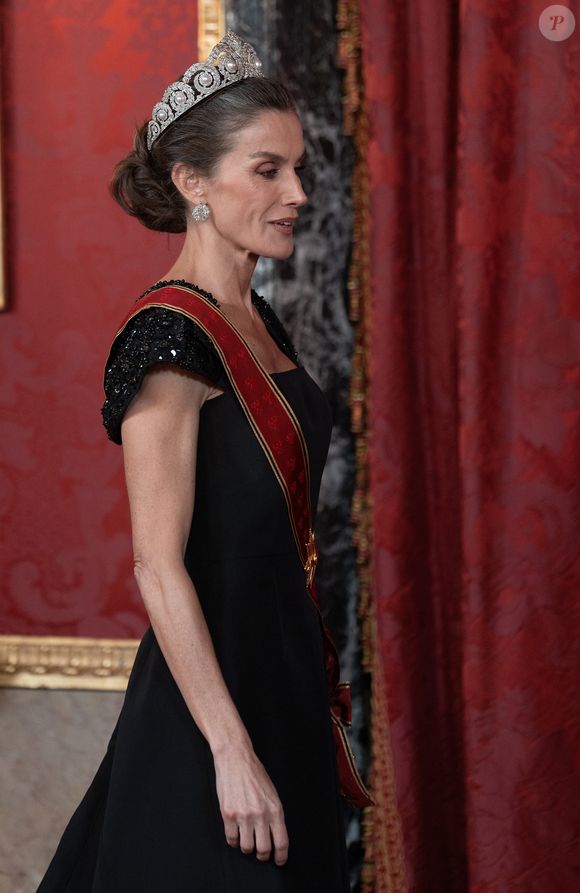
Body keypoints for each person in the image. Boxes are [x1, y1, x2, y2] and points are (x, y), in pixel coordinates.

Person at [36, 30, 369, 892]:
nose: (298, 192)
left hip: (281, 681)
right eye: (268, 170)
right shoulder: (169, 334)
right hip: (211, 712)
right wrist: (229, 749)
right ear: (193, 183)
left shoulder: (259, 322)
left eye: (299, 169)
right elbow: (157, 562)